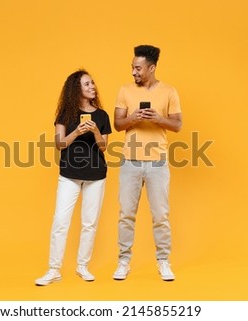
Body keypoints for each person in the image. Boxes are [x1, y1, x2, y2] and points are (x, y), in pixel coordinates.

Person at [35, 69, 112, 286]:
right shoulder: (65, 115)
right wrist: (77, 131)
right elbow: (59, 144)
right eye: (87, 84)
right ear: (75, 89)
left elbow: (103, 147)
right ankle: (53, 270)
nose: (92, 87)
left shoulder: (102, 115)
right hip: (69, 175)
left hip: (96, 176)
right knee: (60, 221)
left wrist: (96, 130)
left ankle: (82, 266)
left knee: (90, 223)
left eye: (93, 83)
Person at [112, 45, 182, 281]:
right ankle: (123, 261)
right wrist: (132, 118)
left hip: (157, 163)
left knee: (160, 215)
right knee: (126, 214)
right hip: (130, 161)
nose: (134, 72)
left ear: (151, 68)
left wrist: (159, 119)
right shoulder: (125, 90)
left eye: (138, 68)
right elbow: (117, 125)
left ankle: (163, 261)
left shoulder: (169, 92)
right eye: (132, 67)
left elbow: (178, 125)